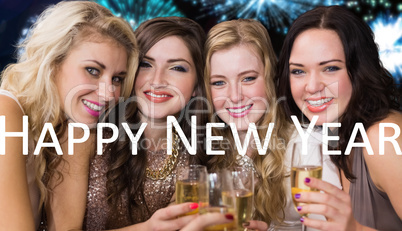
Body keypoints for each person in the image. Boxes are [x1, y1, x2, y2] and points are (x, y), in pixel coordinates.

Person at [0, 1, 138, 230]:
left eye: (117, 79)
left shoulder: (68, 125)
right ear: (53, 61)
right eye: (93, 70)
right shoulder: (6, 112)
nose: (108, 94)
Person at [204, 18, 341, 231]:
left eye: (248, 78)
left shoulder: (310, 148)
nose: (234, 96)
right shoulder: (204, 152)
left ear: (270, 77)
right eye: (219, 83)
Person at [275, 5, 402, 230]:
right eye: (298, 71)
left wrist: (357, 229)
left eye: (330, 68)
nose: (312, 87)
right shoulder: (338, 133)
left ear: (360, 71)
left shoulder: (383, 138)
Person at [82, 17, 212, 230]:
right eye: (146, 64)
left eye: (177, 68)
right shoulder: (88, 137)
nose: (157, 80)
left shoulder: (193, 161)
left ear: (197, 86)